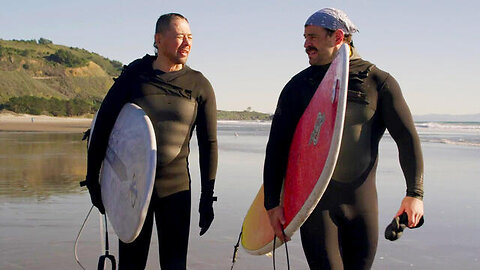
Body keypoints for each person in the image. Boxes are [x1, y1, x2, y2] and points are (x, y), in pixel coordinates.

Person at [264, 8, 424, 270]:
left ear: (338, 37)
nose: (306, 44)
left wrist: (414, 194)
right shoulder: (298, 86)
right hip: (316, 206)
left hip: (362, 205)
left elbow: (406, 139)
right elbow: (277, 148)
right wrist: (272, 203)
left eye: (313, 37)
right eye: (304, 37)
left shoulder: (377, 82)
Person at [84, 13, 218, 270]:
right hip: (131, 188)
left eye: (190, 37)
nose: (187, 43)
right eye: (179, 37)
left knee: (175, 265)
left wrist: (207, 198)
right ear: (158, 39)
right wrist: (93, 179)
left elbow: (209, 144)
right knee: (131, 265)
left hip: (176, 188)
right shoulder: (134, 76)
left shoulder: (199, 85)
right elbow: (103, 126)